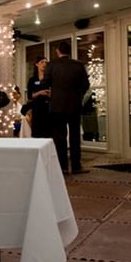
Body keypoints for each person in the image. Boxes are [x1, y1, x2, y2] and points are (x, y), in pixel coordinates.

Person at [46, 40, 90, 174]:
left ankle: (63, 166)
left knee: (60, 137)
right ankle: (76, 166)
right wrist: (78, 95)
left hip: (57, 106)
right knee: (75, 136)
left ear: (58, 51)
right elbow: (86, 85)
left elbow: (46, 82)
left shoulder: (52, 65)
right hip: (74, 105)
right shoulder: (78, 65)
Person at [26, 56, 52, 137]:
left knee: (48, 132)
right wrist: (39, 93)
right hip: (37, 108)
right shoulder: (32, 80)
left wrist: (50, 93)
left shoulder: (50, 79)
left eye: (46, 62)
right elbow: (29, 96)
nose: (44, 64)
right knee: (37, 133)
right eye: (42, 62)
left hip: (48, 108)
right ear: (37, 64)